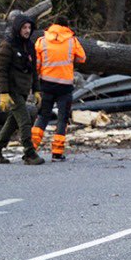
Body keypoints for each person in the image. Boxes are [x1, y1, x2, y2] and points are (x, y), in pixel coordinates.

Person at [0, 12, 42, 165]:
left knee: (12, 122)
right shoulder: (7, 45)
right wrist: (4, 93)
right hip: (12, 90)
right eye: (24, 27)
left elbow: (33, 70)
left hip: (23, 89)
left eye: (29, 27)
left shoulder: (30, 46)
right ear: (18, 28)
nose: (27, 30)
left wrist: (36, 90)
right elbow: (1, 70)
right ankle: (29, 153)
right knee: (25, 121)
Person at [33, 20, 86, 160]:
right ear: (66, 27)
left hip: (46, 85)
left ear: (52, 26)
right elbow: (82, 58)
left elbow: (36, 64)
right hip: (65, 87)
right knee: (62, 119)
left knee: (43, 117)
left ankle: (31, 148)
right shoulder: (72, 41)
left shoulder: (41, 41)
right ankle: (57, 152)